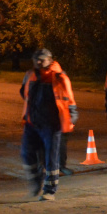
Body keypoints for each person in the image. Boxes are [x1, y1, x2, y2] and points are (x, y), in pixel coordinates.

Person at [19, 48, 78, 201]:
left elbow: (69, 100)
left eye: (42, 60)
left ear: (50, 60)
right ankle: (35, 180)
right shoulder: (30, 75)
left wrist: (71, 118)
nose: (38, 63)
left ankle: (49, 190)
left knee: (51, 158)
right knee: (26, 153)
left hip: (52, 125)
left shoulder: (60, 78)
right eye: (36, 60)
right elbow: (23, 93)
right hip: (32, 123)